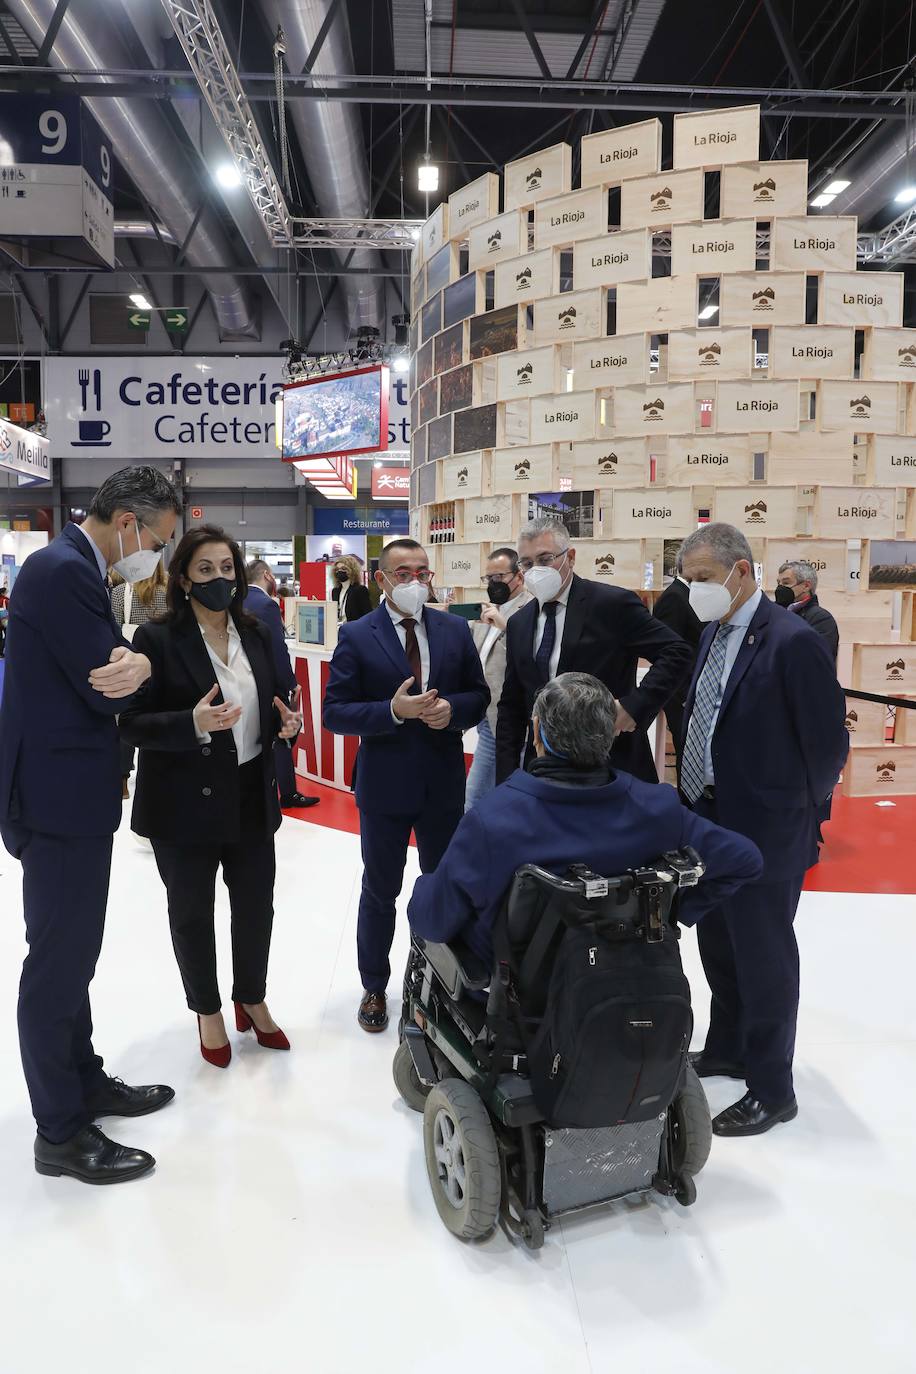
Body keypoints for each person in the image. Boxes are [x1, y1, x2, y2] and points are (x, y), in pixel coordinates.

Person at [0, 467, 180, 1186]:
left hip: (70, 792)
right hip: (57, 797)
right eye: (159, 541)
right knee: (57, 964)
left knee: (75, 953)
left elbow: (113, 673)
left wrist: (131, 663)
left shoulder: (74, 569)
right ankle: (61, 1130)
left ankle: (84, 1080)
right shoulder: (62, 570)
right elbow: (106, 689)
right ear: (129, 520)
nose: (156, 558)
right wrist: (133, 664)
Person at [678, 523, 849, 1138]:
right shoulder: (713, 631)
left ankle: (773, 1088)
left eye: (703, 579)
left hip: (765, 829)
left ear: (741, 571)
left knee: (764, 953)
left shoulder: (791, 640)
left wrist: (796, 810)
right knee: (718, 941)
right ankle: (727, 1046)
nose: (696, 590)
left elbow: (829, 744)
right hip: (709, 815)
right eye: (689, 581)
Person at [409, 672, 763, 969]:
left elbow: (434, 920)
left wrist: (423, 889)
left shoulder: (493, 819)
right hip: (629, 978)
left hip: (518, 999)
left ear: (537, 733)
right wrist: (671, 915)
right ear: (610, 733)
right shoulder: (659, 808)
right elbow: (746, 860)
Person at [119, 527, 302, 1068]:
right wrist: (191, 723)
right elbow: (129, 725)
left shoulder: (259, 634)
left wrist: (284, 725)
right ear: (182, 579)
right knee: (192, 913)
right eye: (205, 570)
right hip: (182, 804)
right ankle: (208, 1011)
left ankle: (252, 997)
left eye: (227, 568)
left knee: (254, 908)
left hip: (249, 791)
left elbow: (272, 702)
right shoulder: (154, 640)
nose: (220, 579)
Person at [322, 537, 489, 1033]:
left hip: (441, 781)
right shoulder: (356, 635)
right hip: (385, 784)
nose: (415, 582)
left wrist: (451, 711)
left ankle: (440, 982)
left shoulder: (455, 630)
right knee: (380, 888)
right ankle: (375, 985)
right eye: (403, 573)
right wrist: (393, 711)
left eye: (422, 572)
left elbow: (478, 696)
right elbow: (335, 711)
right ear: (381, 580)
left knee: (444, 887)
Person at [495, 517, 692, 786]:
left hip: (612, 763)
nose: (536, 570)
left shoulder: (611, 605)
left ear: (571, 557)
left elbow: (676, 652)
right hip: (543, 771)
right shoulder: (519, 623)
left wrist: (634, 706)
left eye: (545, 559)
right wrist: (507, 781)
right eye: (527, 564)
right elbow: (512, 706)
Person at [245, 558, 319, 810]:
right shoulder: (266, 604)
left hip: (246, 682)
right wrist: (290, 682)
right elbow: (277, 648)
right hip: (269, 683)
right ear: (267, 575)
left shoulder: (236, 600)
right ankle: (288, 792)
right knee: (283, 736)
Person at [465, 546, 533, 811]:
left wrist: (507, 627)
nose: (493, 584)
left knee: (474, 795)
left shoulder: (530, 611)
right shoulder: (489, 611)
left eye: (499, 577)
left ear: (519, 576)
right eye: (488, 578)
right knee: (489, 793)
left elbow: (530, 659)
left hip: (507, 719)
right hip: (484, 713)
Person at [111, 560, 169, 800]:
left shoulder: (120, 592)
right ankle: (159, 774)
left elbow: (113, 628)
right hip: (163, 663)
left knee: (126, 717)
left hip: (129, 659)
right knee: (161, 716)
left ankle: (122, 780)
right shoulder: (168, 594)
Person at [653, 552, 704, 772]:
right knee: (688, 756)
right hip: (683, 695)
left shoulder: (688, 594)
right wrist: (683, 696)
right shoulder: (675, 597)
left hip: (695, 691)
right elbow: (668, 652)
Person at [775, 560, 839, 662]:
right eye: (779, 583)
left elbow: (816, 660)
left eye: (786, 583)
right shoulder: (774, 614)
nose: (779, 587)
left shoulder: (822, 619)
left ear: (806, 586)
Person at [331, 554, 372, 622]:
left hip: (355, 630)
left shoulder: (360, 590)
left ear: (352, 570)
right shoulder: (335, 591)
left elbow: (367, 615)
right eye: (337, 569)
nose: (339, 571)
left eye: (344, 569)